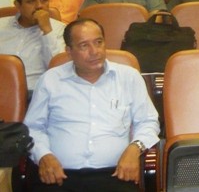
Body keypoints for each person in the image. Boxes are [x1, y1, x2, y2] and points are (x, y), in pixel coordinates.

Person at [24, 18, 160, 191]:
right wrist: (44, 155)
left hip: (114, 174)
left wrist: (135, 148)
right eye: (84, 46)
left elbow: (148, 122)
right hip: (57, 175)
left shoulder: (129, 77)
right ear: (69, 51)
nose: (94, 51)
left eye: (98, 42)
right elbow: (33, 127)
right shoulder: (50, 80)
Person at [0, 0, 65, 92]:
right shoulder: (2, 25)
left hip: (35, 92)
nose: (39, 6)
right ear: (18, 5)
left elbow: (58, 69)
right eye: (31, 1)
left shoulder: (59, 29)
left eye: (44, 0)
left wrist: (47, 30)